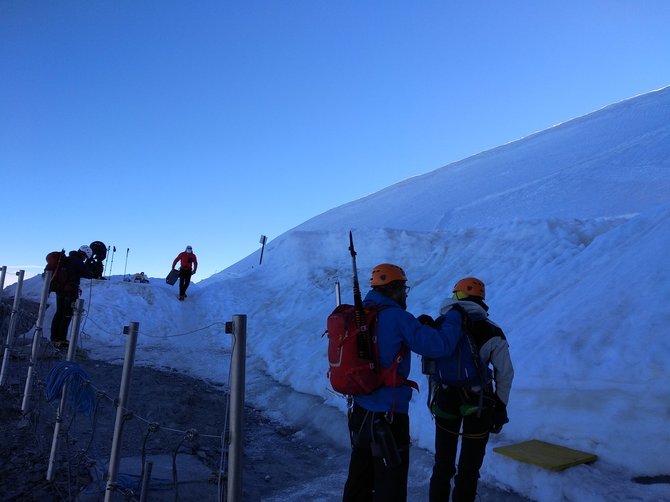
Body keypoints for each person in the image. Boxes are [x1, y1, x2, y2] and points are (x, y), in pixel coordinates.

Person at [342, 263, 464, 502]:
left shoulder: (359, 313)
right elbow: (441, 346)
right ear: (394, 288)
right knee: (391, 485)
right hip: (389, 417)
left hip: (360, 412)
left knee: (359, 479)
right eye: (404, 289)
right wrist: (455, 316)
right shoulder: (398, 317)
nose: (406, 294)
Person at [428, 277, 514, 502]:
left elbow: (432, 366)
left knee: (442, 465)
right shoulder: (492, 330)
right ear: (480, 299)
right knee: (469, 469)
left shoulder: (441, 324)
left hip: (445, 399)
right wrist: (500, 407)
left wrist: (434, 397)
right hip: (478, 404)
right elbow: (505, 373)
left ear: (456, 296)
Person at [50, 245, 95, 349]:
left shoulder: (67, 259)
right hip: (69, 292)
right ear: (84, 254)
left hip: (59, 291)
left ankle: (54, 338)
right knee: (67, 315)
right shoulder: (77, 261)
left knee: (59, 313)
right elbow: (88, 274)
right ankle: (61, 339)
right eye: (85, 258)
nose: (85, 260)